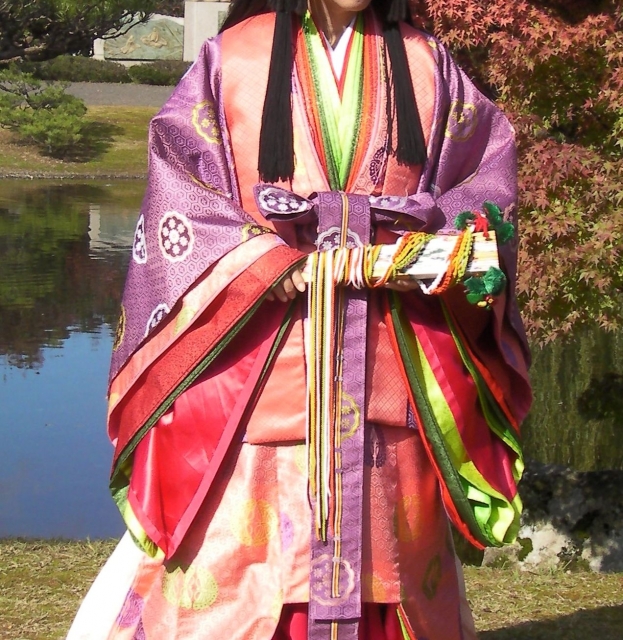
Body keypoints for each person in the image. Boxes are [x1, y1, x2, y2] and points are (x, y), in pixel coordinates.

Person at [67, 0, 532, 638]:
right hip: (263, 360)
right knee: (246, 569)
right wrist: (262, 261)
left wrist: (428, 256)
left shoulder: (429, 65)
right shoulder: (234, 58)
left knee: (388, 558)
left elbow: (484, 184)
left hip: (386, 352)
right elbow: (181, 189)